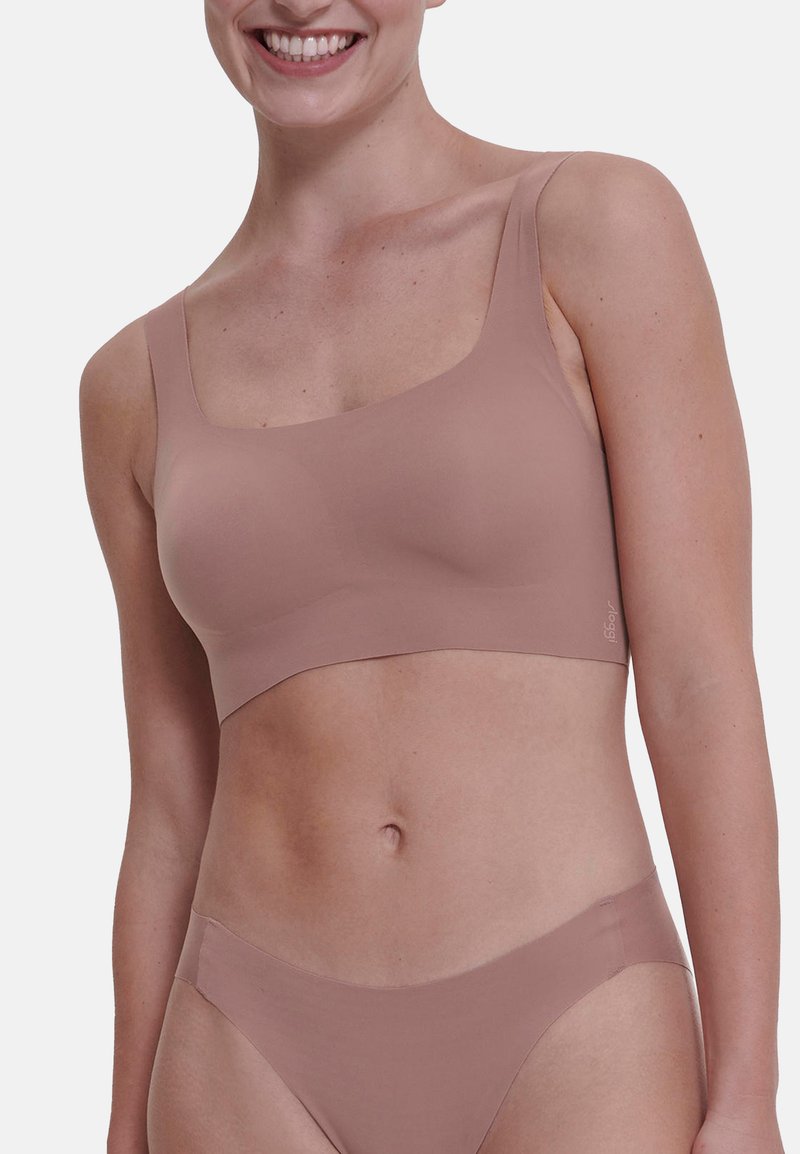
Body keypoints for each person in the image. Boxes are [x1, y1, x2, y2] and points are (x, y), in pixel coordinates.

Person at [79, 3, 784, 1153]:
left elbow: (697, 678)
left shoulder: (596, 228)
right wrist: (121, 1122)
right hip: (244, 1049)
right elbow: (166, 797)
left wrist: (746, 1091)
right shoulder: (128, 385)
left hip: (574, 1019)